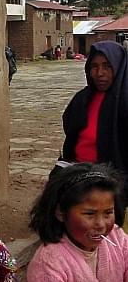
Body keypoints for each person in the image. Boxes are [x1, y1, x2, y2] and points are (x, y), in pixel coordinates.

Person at [27, 163, 128, 282]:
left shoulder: (117, 238)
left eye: (108, 213)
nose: (101, 224)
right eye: (89, 214)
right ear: (61, 213)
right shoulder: (49, 264)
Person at [53, 41, 128, 197]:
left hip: (115, 186)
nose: (100, 73)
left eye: (107, 66)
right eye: (94, 66)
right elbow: (71, 133)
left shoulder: (124, 101)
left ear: (119, 67)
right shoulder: (83, 99)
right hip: (80, 177)